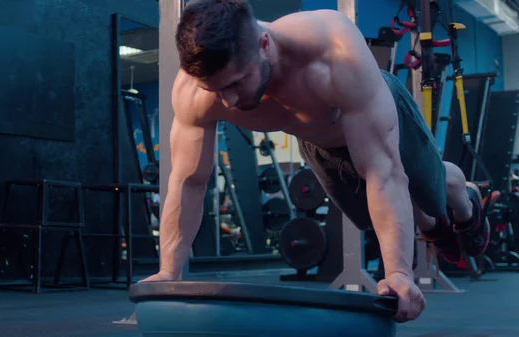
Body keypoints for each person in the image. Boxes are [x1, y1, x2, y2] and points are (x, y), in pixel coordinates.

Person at [142, 0, 490, 323]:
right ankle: (432, 225)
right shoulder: (193, 92)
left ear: (264, 45)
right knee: (396, 217)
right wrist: (168, 274)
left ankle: (465, 199)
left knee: (431, 191)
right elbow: (189, 182)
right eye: (215, 90)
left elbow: (383, 171)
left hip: (376, 121)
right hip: (318, 144)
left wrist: (398, 273)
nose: (228, 101)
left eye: (235, 83)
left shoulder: (333, 52)